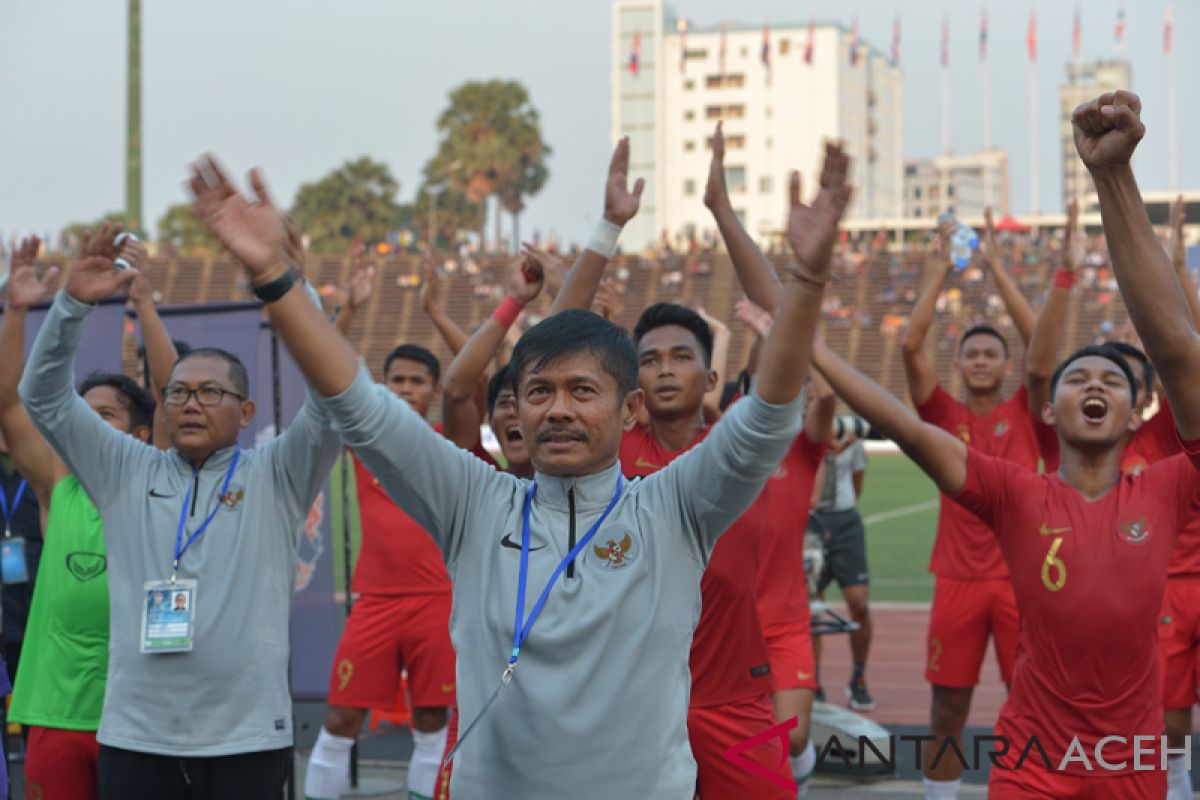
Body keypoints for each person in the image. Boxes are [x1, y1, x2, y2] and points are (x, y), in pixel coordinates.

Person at [187, 134, 847, 798]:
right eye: (539, 393)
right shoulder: (477, 503)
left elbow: (769, 412)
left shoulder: (671, 508)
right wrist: (277, 278)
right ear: (517, 411)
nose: (558, 410)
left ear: (629, 411)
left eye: (582, 392)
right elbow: (358, 404)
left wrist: (809, 281)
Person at [811, 89, 1196, 798]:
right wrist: (801, 320)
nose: (1095, 384)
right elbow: (903, 423)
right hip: (1030, 776)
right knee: (949, 705)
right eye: (1077, 375)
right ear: (1047, 409)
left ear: (1135, 405)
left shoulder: (1172, 481)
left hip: (1130, 778)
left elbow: (1177, 351)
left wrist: (1113, 178)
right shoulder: (1016, 491)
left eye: (1112, 378)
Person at [19, 223, 342, 800]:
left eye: (209, 393)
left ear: (245, 411)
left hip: (246, 738)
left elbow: (333, 396)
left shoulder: (277, 475)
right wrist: (71, 304)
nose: (190, 403)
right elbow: (42, 394)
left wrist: (293, 286)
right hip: (137, 735)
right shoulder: (124, 472)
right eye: (178, 392)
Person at [2, 237, 167, 800]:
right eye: (81, 417)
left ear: (141, 436)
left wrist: (143, 306)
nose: (87, 429)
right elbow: (8, 405)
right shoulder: (59, 484)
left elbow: (171, 401)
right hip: (57, 712)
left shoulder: (159, 489)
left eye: (104, 417)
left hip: (140, 717)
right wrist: (17, 311)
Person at [898, 209, 1042, 798]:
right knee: (946, 713)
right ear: (959, 366)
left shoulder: (1027, 414)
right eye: (972, 354)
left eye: (991, 355)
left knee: (1031, 707)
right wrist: (940, 269)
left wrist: (995, 267)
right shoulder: (944, 417)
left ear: (1009, 368)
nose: (981, 361)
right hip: (956, 581)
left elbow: (1040, 338)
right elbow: (910, 344)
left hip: (1018, 583)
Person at [808, 415, 871, 709]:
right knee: (811, 609)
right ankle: (813, 681)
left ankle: (858, 676)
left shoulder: (850, 434)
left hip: (845, 521)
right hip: (811, 520)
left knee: (858, 602)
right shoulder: (806, 431)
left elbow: (858, 481)